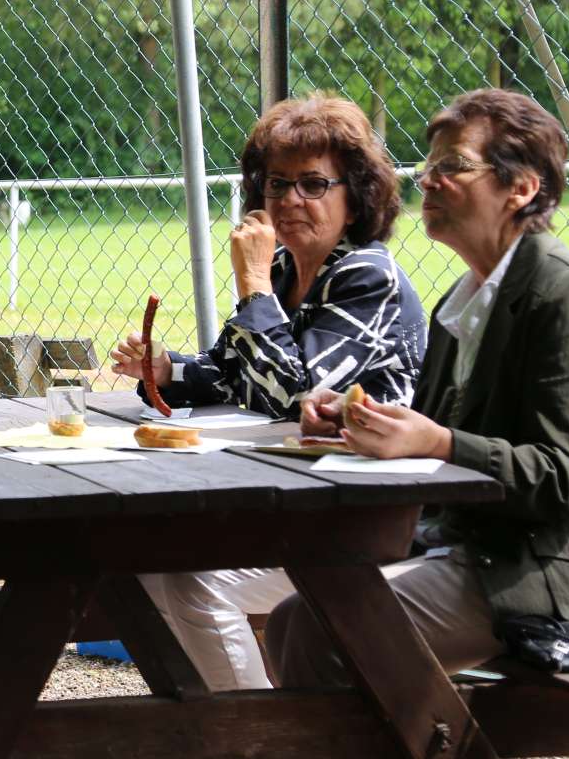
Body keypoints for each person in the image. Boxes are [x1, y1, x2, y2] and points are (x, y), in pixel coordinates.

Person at [266, 88, 569, 686]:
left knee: (322, 632)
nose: (428, 182)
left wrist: (439, 444)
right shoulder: (466, 297)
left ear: (520, 189)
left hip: (568, 569)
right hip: (483, 548)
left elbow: (565, 479)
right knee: (299, 619)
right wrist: (356, 421)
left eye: (453, 167)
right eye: (428, 168)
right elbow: (434, 435)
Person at [110, 93, 428, 691]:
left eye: (313, 184)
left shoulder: (367, 275)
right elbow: (237, 375)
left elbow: (297, 394)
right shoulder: (285, 272)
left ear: (355, 195)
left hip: (365, 517)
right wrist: (167, 369)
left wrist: (252, 282)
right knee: (141, 566)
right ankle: (226, 727)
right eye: (277, 184)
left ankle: (258, 737)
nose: (288, 201)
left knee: (196, 582)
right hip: (293, 501)